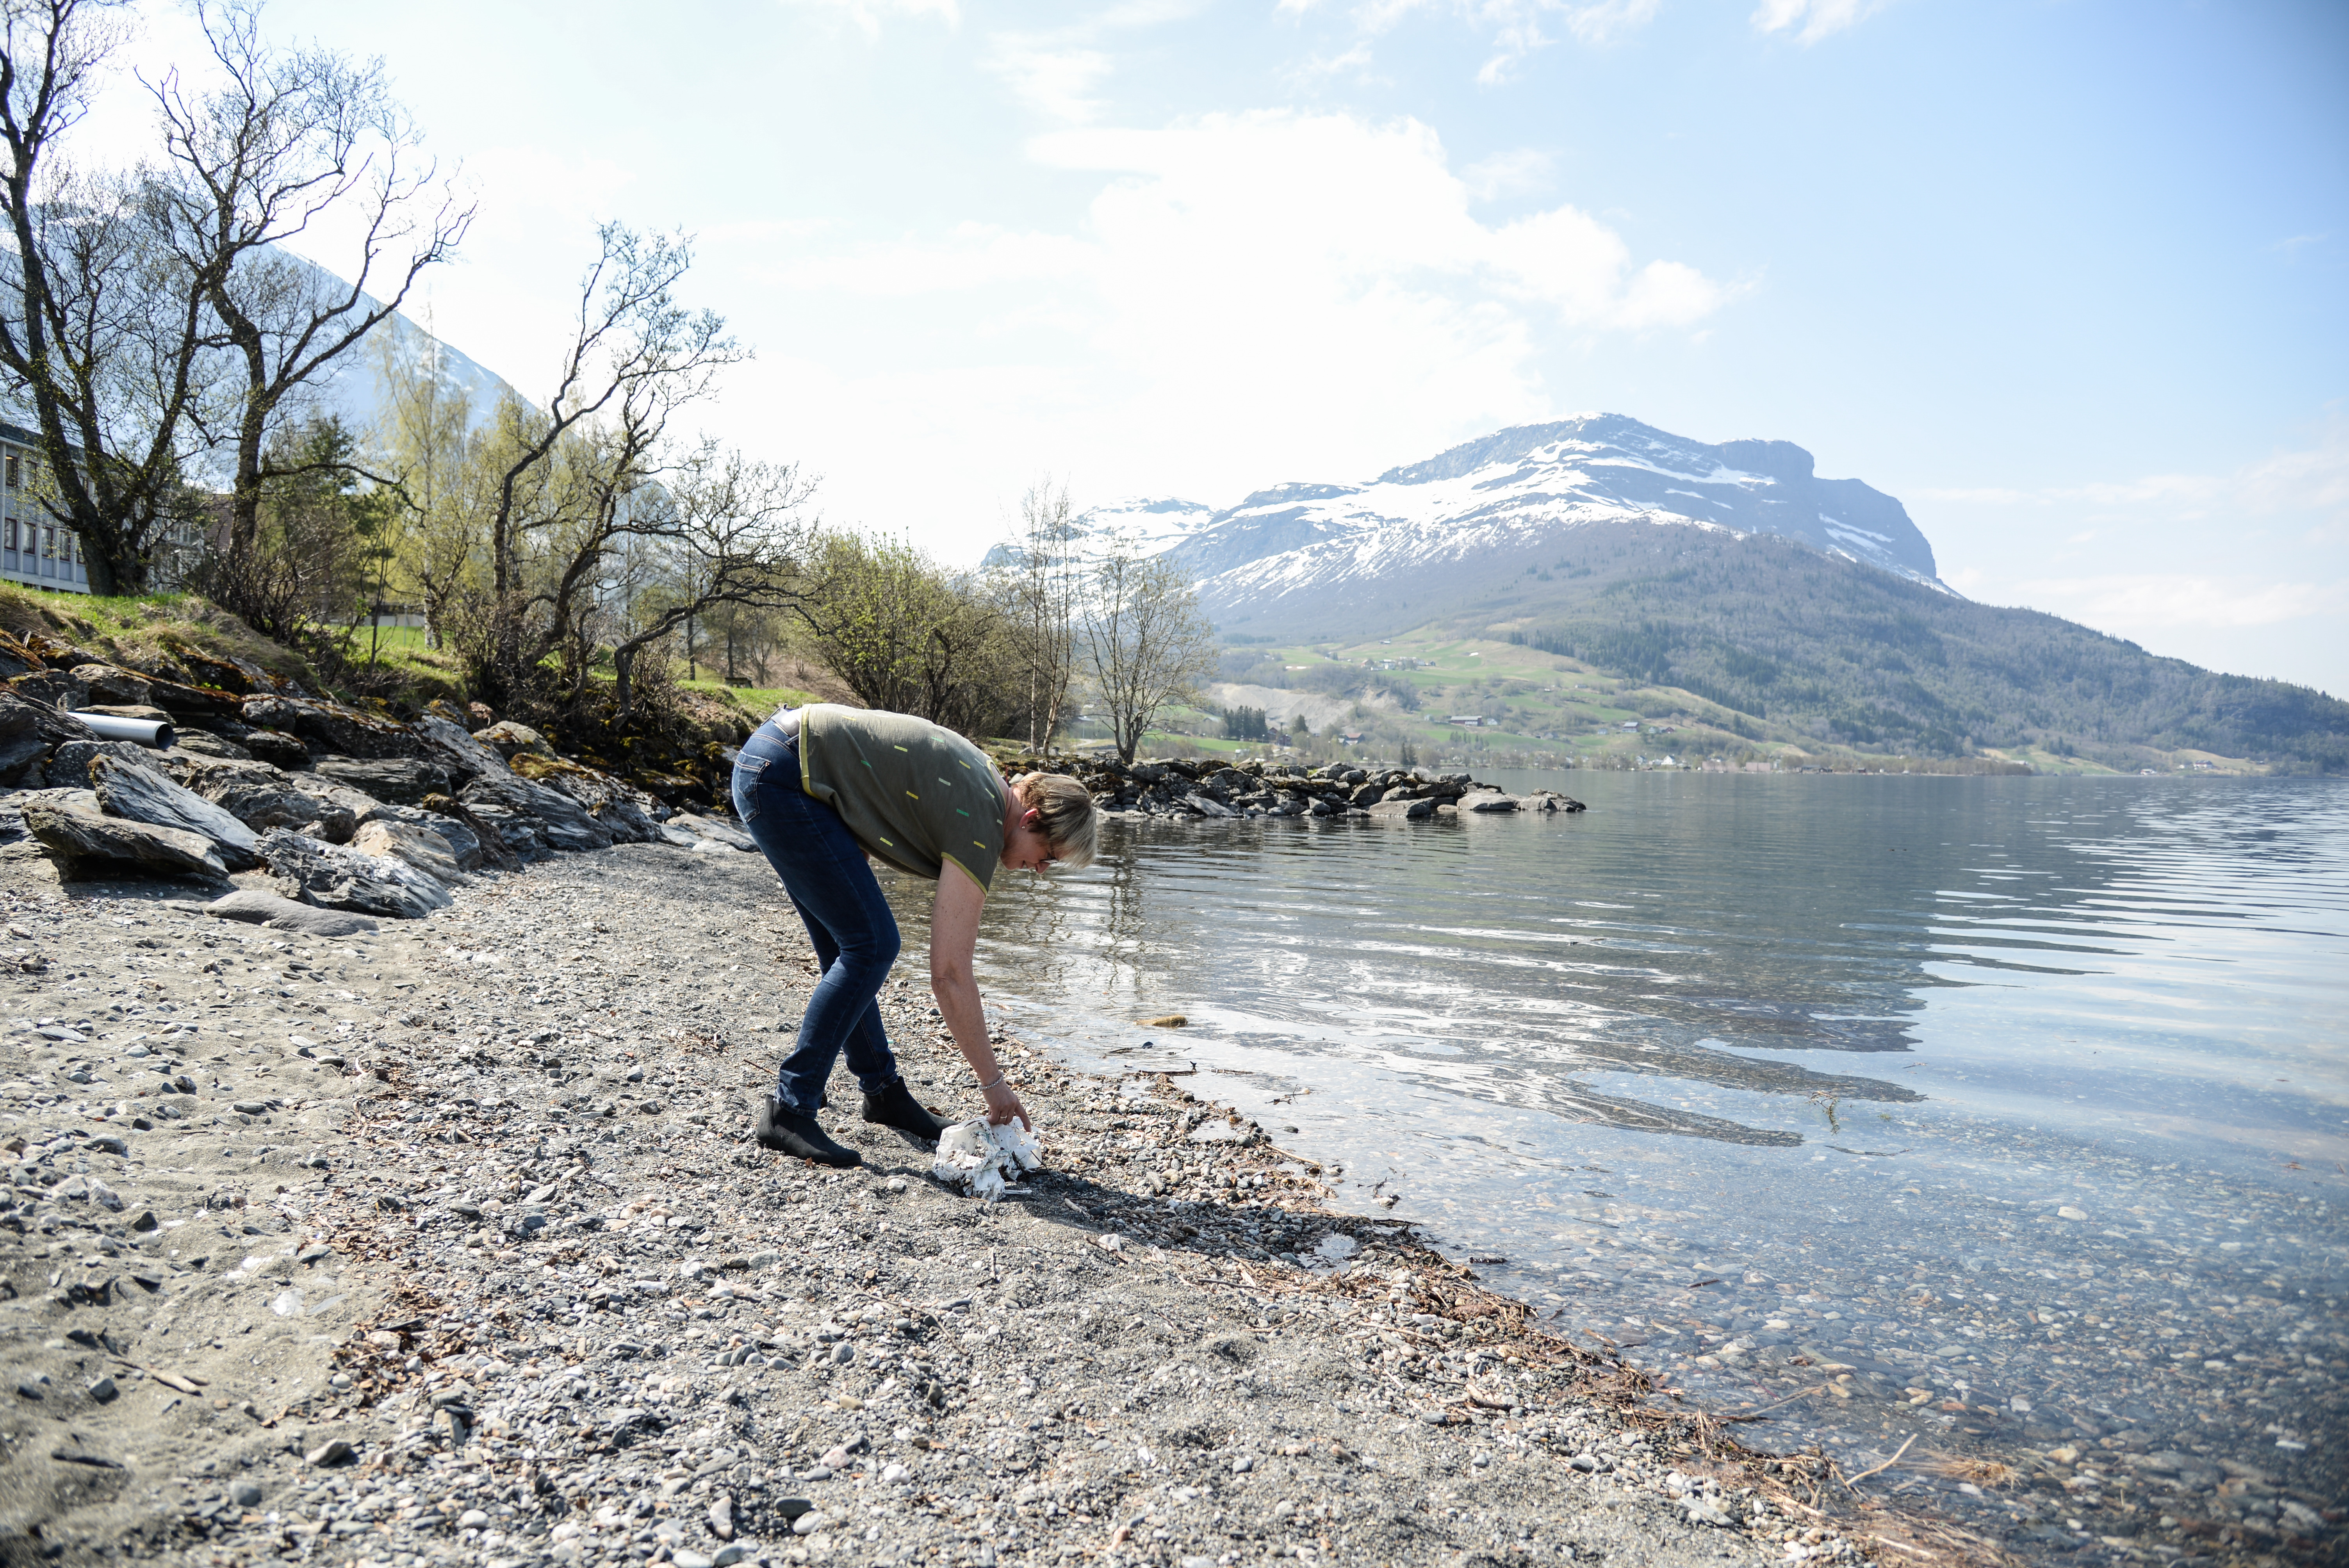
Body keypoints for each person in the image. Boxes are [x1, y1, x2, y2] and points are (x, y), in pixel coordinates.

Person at [730, 703, 1100, 1167]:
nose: (1042, 870)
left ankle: (883, 1094)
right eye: (1048, 855)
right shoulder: (982, 824)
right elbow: (948, 974)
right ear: (1029, 821)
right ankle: (789, 1107)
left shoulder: (989, 790)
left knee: (853, 946)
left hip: (787, 764)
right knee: (874, 944)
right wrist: (994, 1083)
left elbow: (879, 784)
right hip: (784, 776)